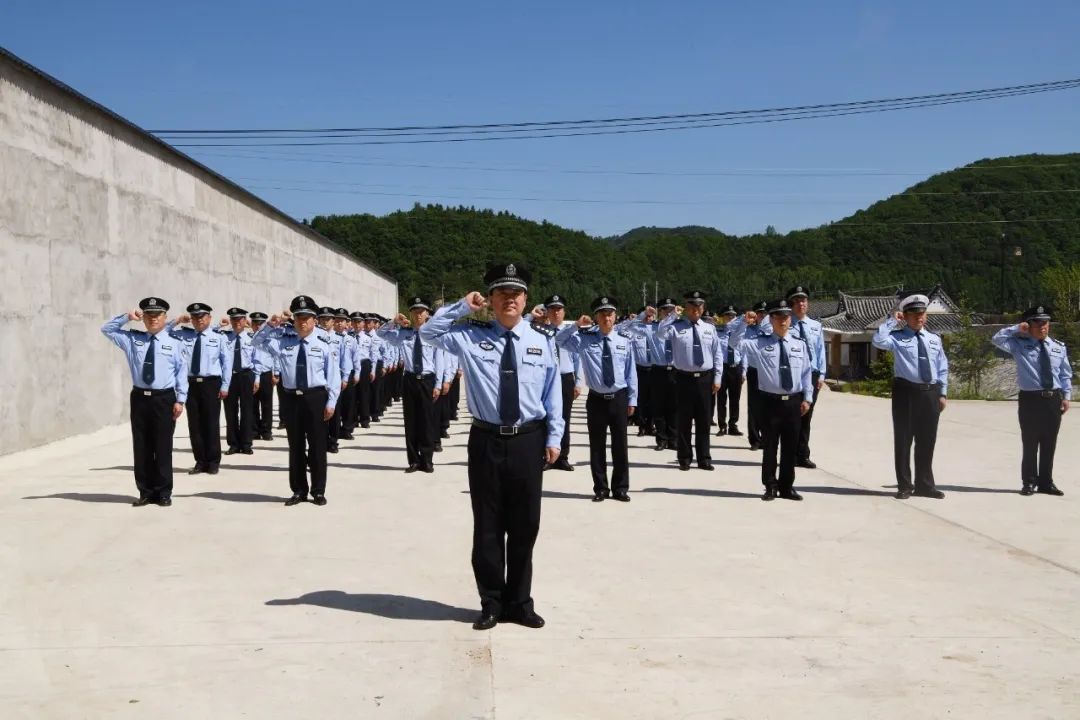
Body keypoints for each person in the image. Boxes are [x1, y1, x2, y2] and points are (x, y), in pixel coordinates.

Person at [420, 262, 563, 632]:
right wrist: (462, 306)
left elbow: (553, 395)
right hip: (485, 439)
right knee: (487, 526)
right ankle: (491, 603)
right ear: (492, 300)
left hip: (528, 440)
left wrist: (554, 437)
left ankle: (520, 602)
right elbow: (428, 333)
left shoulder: (543, 341)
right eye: (502, 293)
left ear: (525, 299)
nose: (509, 300)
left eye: (516, 294)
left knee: (525, 525)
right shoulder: (470, 335)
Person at [253, 296, 341, 506]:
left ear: (314, 320)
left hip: (316, 398)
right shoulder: (283, 342)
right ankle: (299, 490)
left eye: (307, 318)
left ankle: (318, 491)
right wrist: (270, 324)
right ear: (293, 320)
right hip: (291, 399)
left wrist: (331, 402)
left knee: (318, 446)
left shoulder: (324, 344)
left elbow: (333, 375)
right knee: (296, 447)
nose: (303, 322)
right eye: (299, 318)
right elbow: (255, 341)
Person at [101, 297, 188, 506]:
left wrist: (181, 400)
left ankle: (164, 492)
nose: (152, 319)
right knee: (142, 446)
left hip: (164, 398)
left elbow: (181, 373)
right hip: (140, 398)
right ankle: (146, 491)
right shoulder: (133, 340)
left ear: (165, 317)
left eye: (157, 315)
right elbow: (107, 330)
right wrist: (126, 318)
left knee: (163, 446)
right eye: (148, 315)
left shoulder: (175, 343)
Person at [556, 296, 638, 501]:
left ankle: (620, 488)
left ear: (615, 316)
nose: (606, 318)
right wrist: (575, 325)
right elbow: (559, 340)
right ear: (595, 317)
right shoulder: (585, 339)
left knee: (620, 445)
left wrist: (632, 399)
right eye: (602, 314)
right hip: (596, 400)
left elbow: (630, 372)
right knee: (597, 445)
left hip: (618, 398)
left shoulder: (624, 340)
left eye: (609, 313)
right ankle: (600, 488)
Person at [872, 294, 949, 500]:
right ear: (905, 316)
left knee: (927, 441)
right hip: (906, 393)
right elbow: (878, 340)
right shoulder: (897, 338)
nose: (919, 318)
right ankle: (905, 485)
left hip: (930, 393)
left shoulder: (934, 339)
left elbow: (942, 367)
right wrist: (891, 321)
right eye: (914, 314)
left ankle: (925, 485)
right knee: (904, 440)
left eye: (922, 313)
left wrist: (942, 393)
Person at [735, 299, 814, 501]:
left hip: (793, 402)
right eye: (778, 316)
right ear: (771, 319)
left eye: (786, 316)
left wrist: (807, 397)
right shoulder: (760, 343)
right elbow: (734, 343)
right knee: (770, 447)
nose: (783, 320)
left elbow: (806, 373)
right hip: (770, 403)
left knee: (790, 447)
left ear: (790, 319)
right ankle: (770, 486)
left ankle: (787, 487)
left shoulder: (799, 345)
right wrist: (743, 323)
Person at [991, 305, 1072, 495]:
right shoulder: (1019, 344)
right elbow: (997, 339)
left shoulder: (1058, 347)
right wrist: (1016, 329)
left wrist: (1067, 396)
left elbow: (1065, 374)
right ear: (1029, 325)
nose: (1043, 326)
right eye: (1038, 322)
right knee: (1030, 442)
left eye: (1046, 322)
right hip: (1030, 399)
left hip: (1053, 398)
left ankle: (1046, 482)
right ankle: (1029, 482)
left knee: (1049, 442)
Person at [655, 291, 726, 471]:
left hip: (704, 378)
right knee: (684, 421)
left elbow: (717, 354)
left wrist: (717, 377)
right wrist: (672, 314)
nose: (696, 309)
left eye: (699, 306)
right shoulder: (676, 326)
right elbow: (660, 333)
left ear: (703, 308)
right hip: (683, 379)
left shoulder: (709, 328)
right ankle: (684, 458)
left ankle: (704, 458)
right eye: (692, 306)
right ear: (686, 308)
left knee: (704, 421)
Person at [378, 297, 446, 473]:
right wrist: (394, 322)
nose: (418, 315)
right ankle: (414, 460)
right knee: (411, 421)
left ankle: (427, 459)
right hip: (409, 379)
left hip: (427, 379)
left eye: (421, 311)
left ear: (427, 314)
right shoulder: (404, 333)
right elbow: (381, 334)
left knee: (427, 421)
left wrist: (438, 383)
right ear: (410, 314)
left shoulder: (433, 334)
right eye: (415, 311)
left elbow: (439, 360)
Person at [167, 303, 232, 475]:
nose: (198, 320)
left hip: (211, 384)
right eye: (195, 317)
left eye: (202, 316)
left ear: (209, 318)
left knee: (211, 423)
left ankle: (213, 461)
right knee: (194, 425)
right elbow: (162, 332)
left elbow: (227, 363)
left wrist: (225, 385)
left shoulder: (219, 337)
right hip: (190, 384)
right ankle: (200, 461)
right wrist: (177, 321)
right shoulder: (183, 336)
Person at [539, 294, 581, 470]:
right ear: (547, 312)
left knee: (564, 418)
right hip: (544, 379)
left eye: (559, 309)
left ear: (564, 312)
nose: (556, 313)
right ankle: (546, 456)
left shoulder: (572, 332)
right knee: (543, 418)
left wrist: (578, 382)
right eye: (552, 309)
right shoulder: (539, 330)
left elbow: (578, 358)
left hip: (565, 378)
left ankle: (563, 456)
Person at [787, 286, 827, 468]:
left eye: (803, 300)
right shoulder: (786, 324)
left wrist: (822, 375)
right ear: (791, 305)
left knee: (807, 415)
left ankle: (803, 455)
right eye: (796, 301)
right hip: (794, 375)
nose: (801, 304)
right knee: (793, 415)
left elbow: (820, 351)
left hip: (812, 374)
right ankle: (790, 453)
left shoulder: (815, 326)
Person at [220, 307, 263, 456]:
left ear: (245, 321)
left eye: (239, 319)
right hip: (229, 376)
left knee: (247, 410)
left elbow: (257, 360)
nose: (237, 322)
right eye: (234, 319)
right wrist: (219, 325)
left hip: (246, 375)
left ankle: (246, 444)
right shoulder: (224, 337)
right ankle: (233, 444)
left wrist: (256, 379)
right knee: (230, 411)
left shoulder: (252, 338)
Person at [727, 301, 770, 450]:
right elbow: (729, 328)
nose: (762, 316)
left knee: (768, 407)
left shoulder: (772, 328)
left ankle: (766, 437)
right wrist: (743, 319)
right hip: (754, 370)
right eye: (760, 313)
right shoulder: (749, 329)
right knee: (753, 406)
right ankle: (754, 439)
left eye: (765, 313)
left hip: (769, 372)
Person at [317, 306, 351, 454]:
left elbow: (345, 360)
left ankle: (333, 441)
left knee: (334, 412)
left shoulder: (339, 339)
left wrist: (345, 378)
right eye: (322, 319)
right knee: (319, 412)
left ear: (333, 321)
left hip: (335, 379)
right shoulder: (314, 337)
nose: (325, 322)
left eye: (328, 319)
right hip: (318, 380)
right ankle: (320, 440)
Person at [715, 305, 744, 437]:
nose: (731, 318)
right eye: (728, 316)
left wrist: (744, 371)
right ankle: (722, 426)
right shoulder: (718, 333)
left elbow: (744, 354)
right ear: (723, 318)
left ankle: (733, 424)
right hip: (723, 368)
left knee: (735, 398)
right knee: (721, 399)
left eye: (733, 316)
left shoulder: (740, 333)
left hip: (736, 368)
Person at [628, 307, 654, 437]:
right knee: (641, 400)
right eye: (646, 316)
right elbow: (628, 325)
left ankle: (651, 425)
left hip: (654, 370)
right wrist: (639, 316)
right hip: (640, 369)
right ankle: (642, 426)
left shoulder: (657, 330)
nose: (648, 318)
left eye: (650, 316)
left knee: (654, 400)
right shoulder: (635, 331)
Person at [334, 308, 359, 441]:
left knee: (349, 403)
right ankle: (335, 429)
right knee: (335, 403)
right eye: (336, 320)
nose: (339, 323)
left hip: (348, 374)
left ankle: (347, 429)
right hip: (333, 374)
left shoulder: (351, 339)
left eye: (341, 321)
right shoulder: (328, 338)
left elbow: (356, 357)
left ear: (346, 323)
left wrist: (357, 372)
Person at [351, 311, 375, 429]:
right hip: (352, 366)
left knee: (364, 393)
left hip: (364, 365)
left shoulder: (368, 338)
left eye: (359, 322)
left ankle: (365, 419)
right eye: (354, 322)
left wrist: (373, 370)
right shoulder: (348, 337)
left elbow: (373, 355)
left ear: (363, 324)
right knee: (352, 394)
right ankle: (354, 419)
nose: (357, 324)